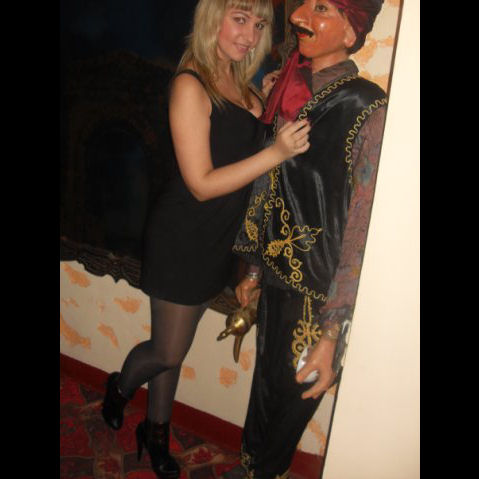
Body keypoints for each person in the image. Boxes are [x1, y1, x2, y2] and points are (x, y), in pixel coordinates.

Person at [100, 1, 311, 478]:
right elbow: (200, 183)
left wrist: (267, 103)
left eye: (259, 24)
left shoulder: (244, 83)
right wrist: (276, 152)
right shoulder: (190, 85)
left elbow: (242, 145)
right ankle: (119, 387)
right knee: (168, 351)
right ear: (213, 17)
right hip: (183, 236)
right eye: (240, 19)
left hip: (218, 240)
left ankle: (155, 432)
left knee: (175, 347)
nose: (250, 35)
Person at [233, 0, 388, 477]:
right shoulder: (290, 87)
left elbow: (362, 223)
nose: (300, 16)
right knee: (264, 389)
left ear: (350, 32)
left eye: (321, 8)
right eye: (304, 4)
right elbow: (270, 180)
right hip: (276, 272)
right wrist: (254, 269)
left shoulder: (366, 106)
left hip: (319, 291)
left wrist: (332, 329)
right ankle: (250, 469)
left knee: (293, 401)